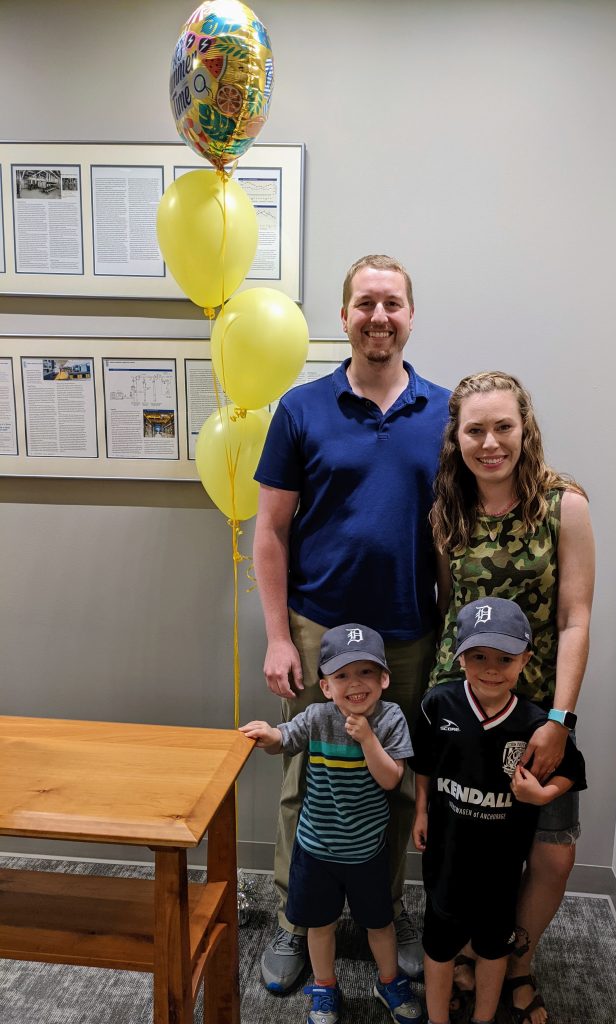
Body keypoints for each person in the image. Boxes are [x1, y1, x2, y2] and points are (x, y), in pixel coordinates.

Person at [253, 254, 450, 991]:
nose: (379, 317)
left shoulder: (445, 413)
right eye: (365, 303)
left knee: (393, 779)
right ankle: (295, 918)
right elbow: (270, 531)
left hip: (408, 633)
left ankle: (383, 910)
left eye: (392, 304)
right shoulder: (301, 410)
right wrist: (278, 636)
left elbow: (458, 531)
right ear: (343, 317)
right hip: (317, 630)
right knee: (306, 773)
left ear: (410, 316)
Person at [429, 371, 595, 1024]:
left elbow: (576, 618)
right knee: (470, 851)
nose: (490, 442)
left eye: (503, 426)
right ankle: (470, 952)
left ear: (525, 428)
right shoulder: (447, 510)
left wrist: (559, 718)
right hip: (465, 707)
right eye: (475, 430)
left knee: (552, 854)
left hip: (540, 710)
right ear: (458, 438)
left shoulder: (564, 506)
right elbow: (448, 610)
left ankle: (518, 959)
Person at [411, 597, 586, 1024]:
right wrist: (421, 812)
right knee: (439, 947)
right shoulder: (438, 705)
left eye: (504, 658)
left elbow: (572, 769)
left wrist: (542, 796)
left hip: (501, 868)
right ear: (460, 657)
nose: (491, 668)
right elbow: (424, 766)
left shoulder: (534, 723)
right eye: (479, 656)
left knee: (493, 950)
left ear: (525, 660)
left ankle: (484, 1018)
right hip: (446, 863)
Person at [241, 623, 424, 1024]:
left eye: (366, 672)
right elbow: (285, 738)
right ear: (325, 686)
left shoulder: (391, 718)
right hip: (315, 850)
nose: (355, 684)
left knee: (380, 924)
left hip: (367, 852)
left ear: (384, 679)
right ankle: (325, 987)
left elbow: (391, 779)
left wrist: (368, 739)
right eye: (342, 675)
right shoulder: (317, 716)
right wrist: (269, 735)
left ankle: (388, 982)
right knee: (320, 925)